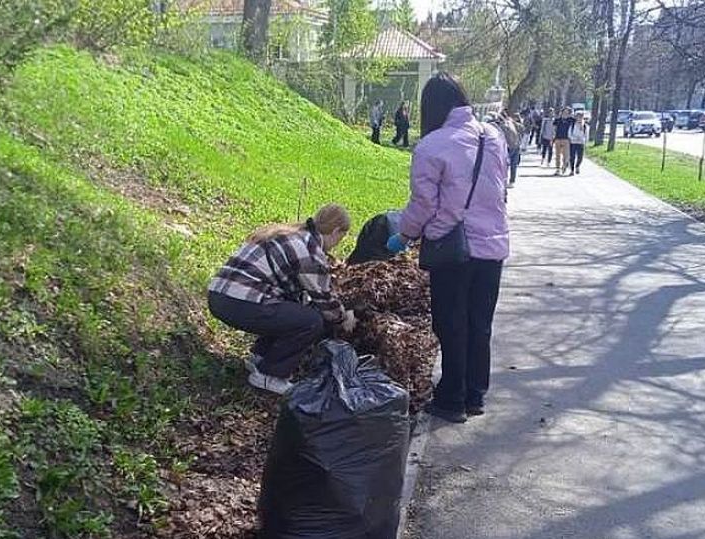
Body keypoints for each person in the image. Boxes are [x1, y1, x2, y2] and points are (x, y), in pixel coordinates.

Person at [384, 73, 510, 423]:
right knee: (480, 323)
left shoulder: (431, 146)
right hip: (493, 245)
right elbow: (501, 187)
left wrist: (404, 237)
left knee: (451, 323)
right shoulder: (493, 136)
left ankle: (451, 399)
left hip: (452, 249)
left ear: (432, 107)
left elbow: (423, 205)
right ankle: (475, 395)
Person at [208, 205, 357, 395]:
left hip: (219, 295)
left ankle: (259, 357)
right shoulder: (310, 251)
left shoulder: (289, 233)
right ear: (337, 231)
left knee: (291, 307)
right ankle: (269, 375)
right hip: (238, 302)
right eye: (341, 238)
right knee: (311, 321)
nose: (337, 245)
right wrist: (344, 318)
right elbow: (325, 302)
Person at [498, 110, 522, 188]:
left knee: (505, 164)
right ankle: (512, 181)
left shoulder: (502, 125)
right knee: (513, 165)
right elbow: (521, 128)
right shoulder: (512, 122)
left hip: (509, 146)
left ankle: (504, 180)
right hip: (516, 145)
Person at [552, 106, 574, 175]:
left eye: (567, 112)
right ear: (561, 113)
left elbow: (578, 121)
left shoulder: (570, 120)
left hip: (566, 139)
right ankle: (557, 169)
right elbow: (554, 129)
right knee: (557, 154)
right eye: (564, 112)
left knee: (565, 154)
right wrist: (553, 138)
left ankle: (564, 165)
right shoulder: (557, 120)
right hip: (558, 138)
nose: (565, 114)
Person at [569, 110, 589, 175]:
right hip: (573, 142)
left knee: (580, 157)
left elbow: (586, 135)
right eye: (578, 116)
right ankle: (572, 170)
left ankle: (577, 166)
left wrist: (585, 141)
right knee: (572, 157)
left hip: (581, 143)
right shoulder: (572, 125)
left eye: (581, 116)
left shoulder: (585, 126)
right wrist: (573, 138)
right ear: (576, 117)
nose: (579, 118)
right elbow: (569, 134)